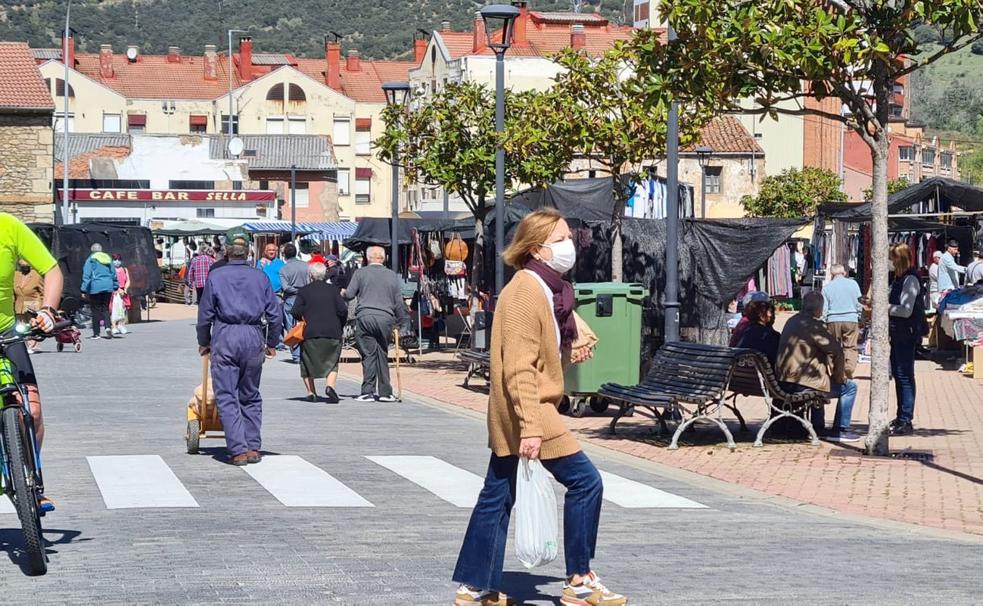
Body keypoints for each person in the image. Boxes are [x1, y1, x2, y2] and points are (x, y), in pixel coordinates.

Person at [452, 209, 621, 606]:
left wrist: (570, 337)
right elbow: (519, 368)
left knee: (498, 493)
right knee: (586, 482)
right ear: (537, 249)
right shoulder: (526, 292)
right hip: (530, 410)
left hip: (519, 409)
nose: (570, 246)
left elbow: (544, 342)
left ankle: (475, 587)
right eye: (561, 239)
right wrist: (531, 426)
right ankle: (579, 580)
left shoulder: (549, 290)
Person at [197, 228, 282, 466]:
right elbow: (275, 315)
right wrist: (272, 343)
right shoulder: (261, 277)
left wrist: (204, 342)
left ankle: (238, 449)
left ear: (226, 250)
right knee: (250, 394)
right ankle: (253, 445)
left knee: (226, 395)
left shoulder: (216, 277)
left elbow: (205, 315)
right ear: (248, 251)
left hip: (226, 334)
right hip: (253, 335)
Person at [0, 214, 64, 510]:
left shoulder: (9, 227)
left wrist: (49, 311)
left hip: (6, 332)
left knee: (33, 409)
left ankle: (32, 483)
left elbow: (51, 270)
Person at [776, 291, 860, 443]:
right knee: (850, 388)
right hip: (803, 383)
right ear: (819, 309)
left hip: (783, 380)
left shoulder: (791, 321)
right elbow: (837, 352)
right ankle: (839, 429)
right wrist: (839, 376)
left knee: (819, 380)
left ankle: (818, 426)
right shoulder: (815, 326)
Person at [343, 246, 408, 402]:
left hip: (365, 316)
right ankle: (385, 392)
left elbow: (350, 294)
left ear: (368, 257)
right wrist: (403, 321)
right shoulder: (392, 276)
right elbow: (398, 302)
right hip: (385, 317)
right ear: (384, 258)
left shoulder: (360, 273)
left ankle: (367, 391)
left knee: (368, 354)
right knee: (382, 353)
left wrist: (342, 292)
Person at [291, 263, 348, 403]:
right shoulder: (333, 290)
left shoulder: (304, 291)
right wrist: (340, 324)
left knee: (306, 362)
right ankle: (330, 386)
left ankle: (311, 392)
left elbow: (295, 311)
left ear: (310, 275)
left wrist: (303, 317)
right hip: (332, 331)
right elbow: (343, 310)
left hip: (311, 331)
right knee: (333, 362)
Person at [888, 243, 927, 436]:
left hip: (906, 333)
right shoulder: (899, 278)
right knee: (898, 374)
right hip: (898, 333)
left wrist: (883, 307)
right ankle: (901, 415)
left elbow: (905, 310)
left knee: (904, 375)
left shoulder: (910, 279)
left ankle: (906, 418)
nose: (890, 263)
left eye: (892, 259)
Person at [822, 263, 863, 379]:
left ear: (831, 274)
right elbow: (858, 303)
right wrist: (860, 317)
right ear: (844, 272)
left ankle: (836, 371)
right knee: (850, 346)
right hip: (851, 319)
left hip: (832, 320)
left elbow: (824, 309)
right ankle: (848, 368)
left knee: (833, 347)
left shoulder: (826, 288)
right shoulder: (853, 284)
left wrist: (823, 322)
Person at [279, 243, 310, 364]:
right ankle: (304, 353)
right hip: (306, 298)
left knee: (291, 328)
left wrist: (296, 289)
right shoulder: (306, 266)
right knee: (305, 325)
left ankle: (296, 355)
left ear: (284, 255)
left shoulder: (283, 269)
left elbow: (285, 287)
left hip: (291, 299)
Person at [81, 243, 118, 339]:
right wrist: (115, 286)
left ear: (92, 250)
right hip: (108, 285)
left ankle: (96, 333)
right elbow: (113, 273)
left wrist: (83, 290)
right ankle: (108, 327)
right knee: (105, 308)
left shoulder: (91, 259)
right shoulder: (108, 258)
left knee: (95, 310)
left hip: (96, 286)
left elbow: (87, 275)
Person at [734, 296, 780, 367]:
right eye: (770, 312)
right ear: (760, 314)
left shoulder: (745, 331)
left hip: (741, 374)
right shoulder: (771, 336)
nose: (773, 315)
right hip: (763, 376)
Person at [14, 260, 44, 353]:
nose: (25, 268)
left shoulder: (36, 275)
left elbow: (43, 292)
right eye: (22, 266)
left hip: (32, 303)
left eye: (26, 266)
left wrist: (43, 307)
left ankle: (33, 345)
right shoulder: (15, 275)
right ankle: (27, 345)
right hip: (19, 304)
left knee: (33, 325)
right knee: (22, 326)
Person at [110, 254, 131, 336]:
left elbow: (128, 280)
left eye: (119, 260)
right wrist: (118, 289)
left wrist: (125, 289)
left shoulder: (125, 269)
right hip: (115, 292)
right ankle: (114, 326)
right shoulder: (111, 270)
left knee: (123, 309)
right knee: (114, 310)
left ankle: (121, 325)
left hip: (123, 292)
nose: (117, 262)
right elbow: (110, 280)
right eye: (115, 260)